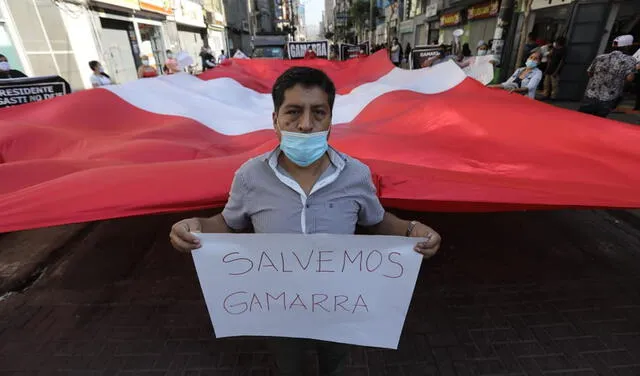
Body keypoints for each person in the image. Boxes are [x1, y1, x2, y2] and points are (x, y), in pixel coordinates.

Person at [168, 66, 442, 376]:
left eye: (319, 113)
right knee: (289, 366)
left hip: (341, 303)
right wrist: (197, 226)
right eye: (294, 112)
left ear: (330, 121)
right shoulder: (250, 176)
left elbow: (377, 222)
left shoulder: (356, 174)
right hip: (278, 306)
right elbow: (229, 223)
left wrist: (411, 229)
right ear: (276, 119)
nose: (306, 124)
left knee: (335, 364)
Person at [578, 35, 639, 118]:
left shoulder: (600, 57)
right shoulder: (630, 60)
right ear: (627, 46)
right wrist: (635, 69)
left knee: (580, 119)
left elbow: (589, 74)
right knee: (597, 124)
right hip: (609, 99)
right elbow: (629, 79)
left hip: (591, 95)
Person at [542, 36, 566, 101]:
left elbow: (561, 62)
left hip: (555, 69)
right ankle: (545, 95)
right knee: (546, 83)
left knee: (554, 85)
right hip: (550, 69)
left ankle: (553, 97)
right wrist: (547, 68)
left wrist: (556, 71)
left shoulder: (563, 50)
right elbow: (549, 58)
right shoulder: (554, 49)